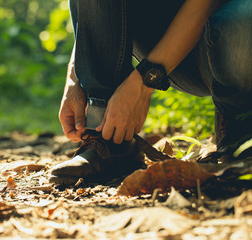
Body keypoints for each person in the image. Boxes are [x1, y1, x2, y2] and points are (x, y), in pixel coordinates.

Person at [49, 0, 252, 185]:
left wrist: (144, 81)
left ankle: (240, 127)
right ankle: (110, 142)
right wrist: (75, 79)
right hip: (163, 35)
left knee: (244, 20)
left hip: (227, 29)